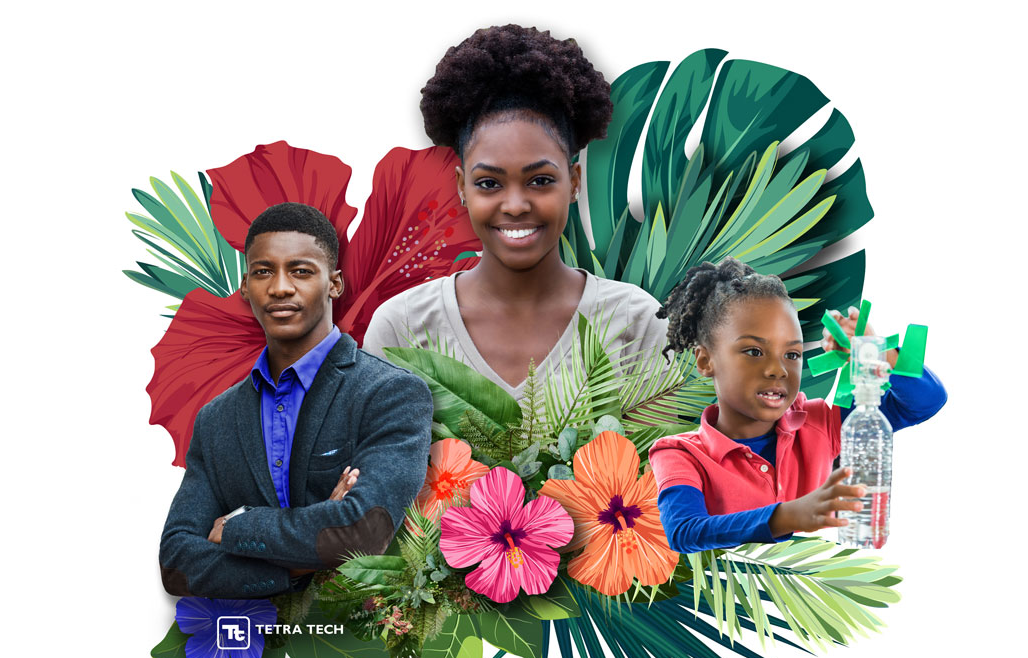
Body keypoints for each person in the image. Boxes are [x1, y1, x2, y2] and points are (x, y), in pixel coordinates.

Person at [364, 25, 667, 399]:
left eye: (540, 181)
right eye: (489, 183)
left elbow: (668, 457)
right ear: (461, 187)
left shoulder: (636, 323)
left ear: (574, 181)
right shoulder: (402, 327)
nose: (515, 205)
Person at [159, 202, 433, 598]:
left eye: (301, 271)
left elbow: (364, 530)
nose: (280, 287)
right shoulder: (216, 419)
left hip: (360, 635)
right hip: (256, 635)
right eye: (263, 271)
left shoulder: (390, 393)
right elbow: (177, 564)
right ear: (245, 285)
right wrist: (299, 566)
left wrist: (237, 525)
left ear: (334, 284)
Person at [648, 258, 947, 553]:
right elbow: (684, 531)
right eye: (754, 351)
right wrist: (792, 515)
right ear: (705, 360)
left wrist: (876, 352)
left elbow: (927, 400)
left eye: (792, 355)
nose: (777, 370)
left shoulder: (822, 424)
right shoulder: (678, 453)